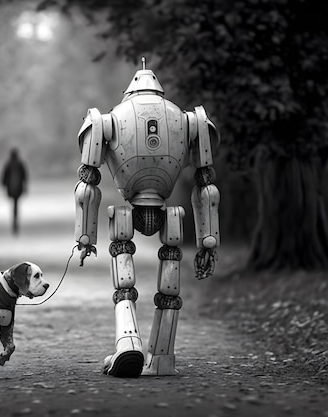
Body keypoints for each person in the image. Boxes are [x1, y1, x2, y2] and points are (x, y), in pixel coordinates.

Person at [74, 58, 221, 378]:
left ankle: (128, 342)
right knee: (171, 277)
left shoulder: (106, 119)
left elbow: (87, 185)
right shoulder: (188, 119)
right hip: (167, 205)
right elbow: (206, 184)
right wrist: (208, 240)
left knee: (122, 279)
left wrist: (85, 237)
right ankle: (163, 357)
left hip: (128, 203)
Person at [1, 148, 27, 234]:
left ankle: (14, 219)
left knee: (14, 204)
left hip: (11, 189)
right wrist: (25, 187)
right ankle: (15, 219)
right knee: (16, 203)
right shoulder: (20, 164)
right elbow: (24, 176)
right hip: (18, 188)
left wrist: (4, 185)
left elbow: (4, 177)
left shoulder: (9, 164)